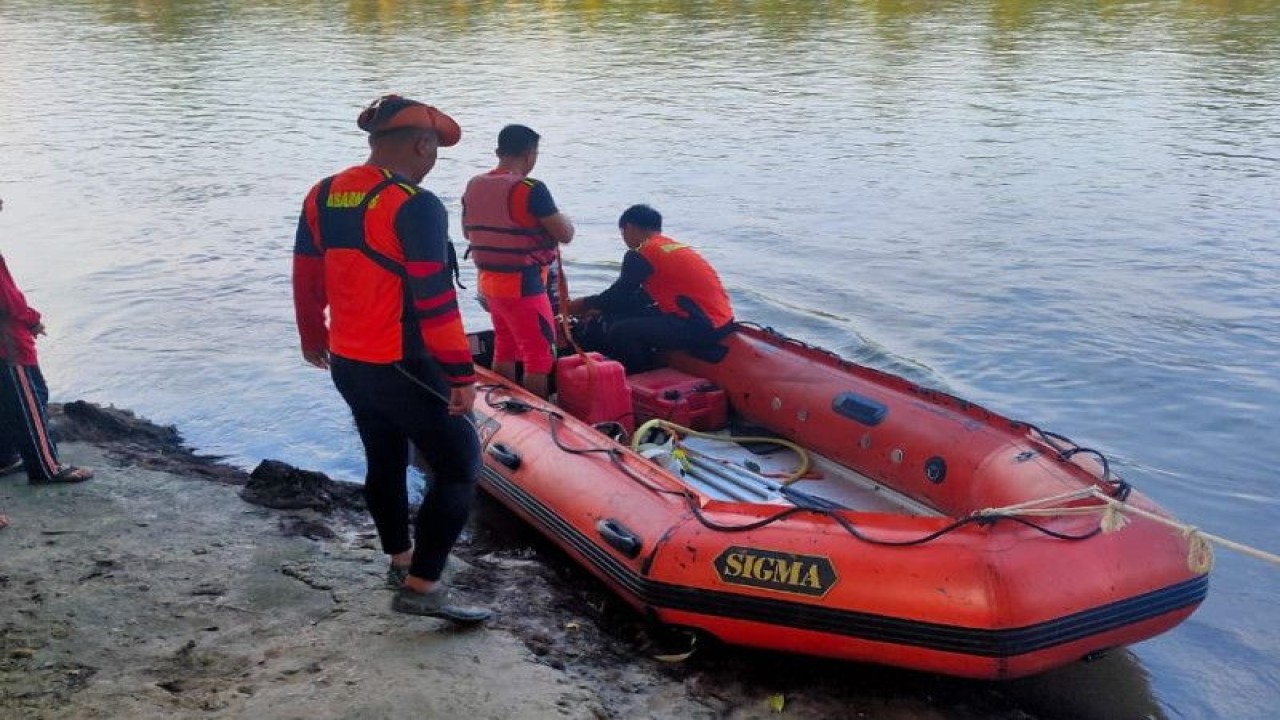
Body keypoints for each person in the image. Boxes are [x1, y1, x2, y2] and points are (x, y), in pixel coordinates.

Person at [292, 95, 490, 624]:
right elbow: (434, 298)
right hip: (403, 361)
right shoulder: (415, 204)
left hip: (348, 362)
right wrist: (460, 374)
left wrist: (313, 335)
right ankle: (423, 587)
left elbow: (306, 271)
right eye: (435, 151)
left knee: (385, 457)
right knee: (460, 465)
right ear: (423, 145)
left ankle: (401, 560)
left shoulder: (325, 192)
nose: (433, 161)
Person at [461, 124, 574, 397]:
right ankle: (536, 417)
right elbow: (565, 233)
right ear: (530, 154)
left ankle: (503, 403)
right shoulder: (531, 189)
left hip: (488, 283)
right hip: (524, 286)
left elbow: (468, 232)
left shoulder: (474, 185)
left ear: (499, 151)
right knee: (540, 357)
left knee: (506, 346)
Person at [566, 204, 734, 373]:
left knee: (621, 331)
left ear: (628, 228)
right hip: (722, 322)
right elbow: (641, 297)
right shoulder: (670, 247)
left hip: (699, 326)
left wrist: (583, 305)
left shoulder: (642, 252)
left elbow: (618, 295)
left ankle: (639, 376)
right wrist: (601, 309)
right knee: (619, 316)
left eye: (622, 233)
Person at [0, 196, 94, 485]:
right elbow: (9, 301)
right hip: (8, 344)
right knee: (30, 402)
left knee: (5, 402)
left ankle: (5, 457)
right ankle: (46, 467)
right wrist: (33, 318)